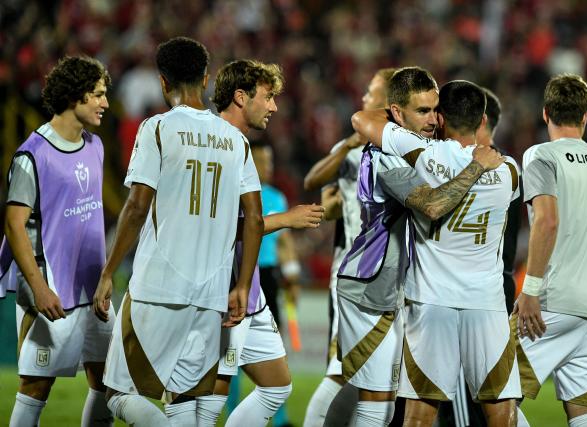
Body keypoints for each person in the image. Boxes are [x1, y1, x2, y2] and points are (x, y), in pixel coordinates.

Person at [92, 37, 264, 426]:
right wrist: (241, 285)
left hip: (158, 288)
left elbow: (137, 207)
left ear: (163, 83)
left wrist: (108, 272)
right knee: (187, 400)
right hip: (211, 293)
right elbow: (253, 219)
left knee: (119, 394)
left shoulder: (157, 128)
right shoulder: (236, 140)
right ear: (206, 78)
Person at [354, 79, 520, 427]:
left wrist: (401, 110)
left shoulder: (422, 153)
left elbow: (361, 118)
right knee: (501, 407)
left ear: (441, 117)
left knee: (419, 410)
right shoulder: (508, 170)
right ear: (483, 119)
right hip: (487, 303)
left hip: (431, 301)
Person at [0, 55, 114, 427]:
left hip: (94, 292)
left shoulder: (95, 146)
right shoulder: (32, 155)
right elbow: (15, 226)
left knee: (107, 384)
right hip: (52, 293)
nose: (105, 103)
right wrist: (38, 288)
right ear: (75, 97)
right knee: (35, 388)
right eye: (97, 94)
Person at [515, 74, 587, 427]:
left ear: (546, 113)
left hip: (550, 302)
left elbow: (547, 222)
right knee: (584, 412)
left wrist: (531, 290)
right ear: (585, 116)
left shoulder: (541, 155)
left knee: (489, 393)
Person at [203, 59, 315, 427]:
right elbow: (220, 226)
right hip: (219, 289)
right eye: (268, 97)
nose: (274, 106)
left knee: (276, 385)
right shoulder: (214, 145)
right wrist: (288, 219)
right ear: (240, 97)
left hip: (249, 287)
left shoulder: (239, 146)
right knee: (213, 388)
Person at [303, 67, 396, 427]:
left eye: (371, 93)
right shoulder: (354, 149)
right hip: (358, 272)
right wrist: (346, 146)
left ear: (388, 101)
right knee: (344, 368)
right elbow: (315, 182)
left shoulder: (404, 145)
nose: (363, 99)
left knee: (387, 377)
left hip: (397, 273)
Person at [437, 87, 524, 427]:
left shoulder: (439, 162)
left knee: (463, 405)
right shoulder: (510, 170)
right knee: (498, 395)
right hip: (496, 290)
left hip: (461, 294)